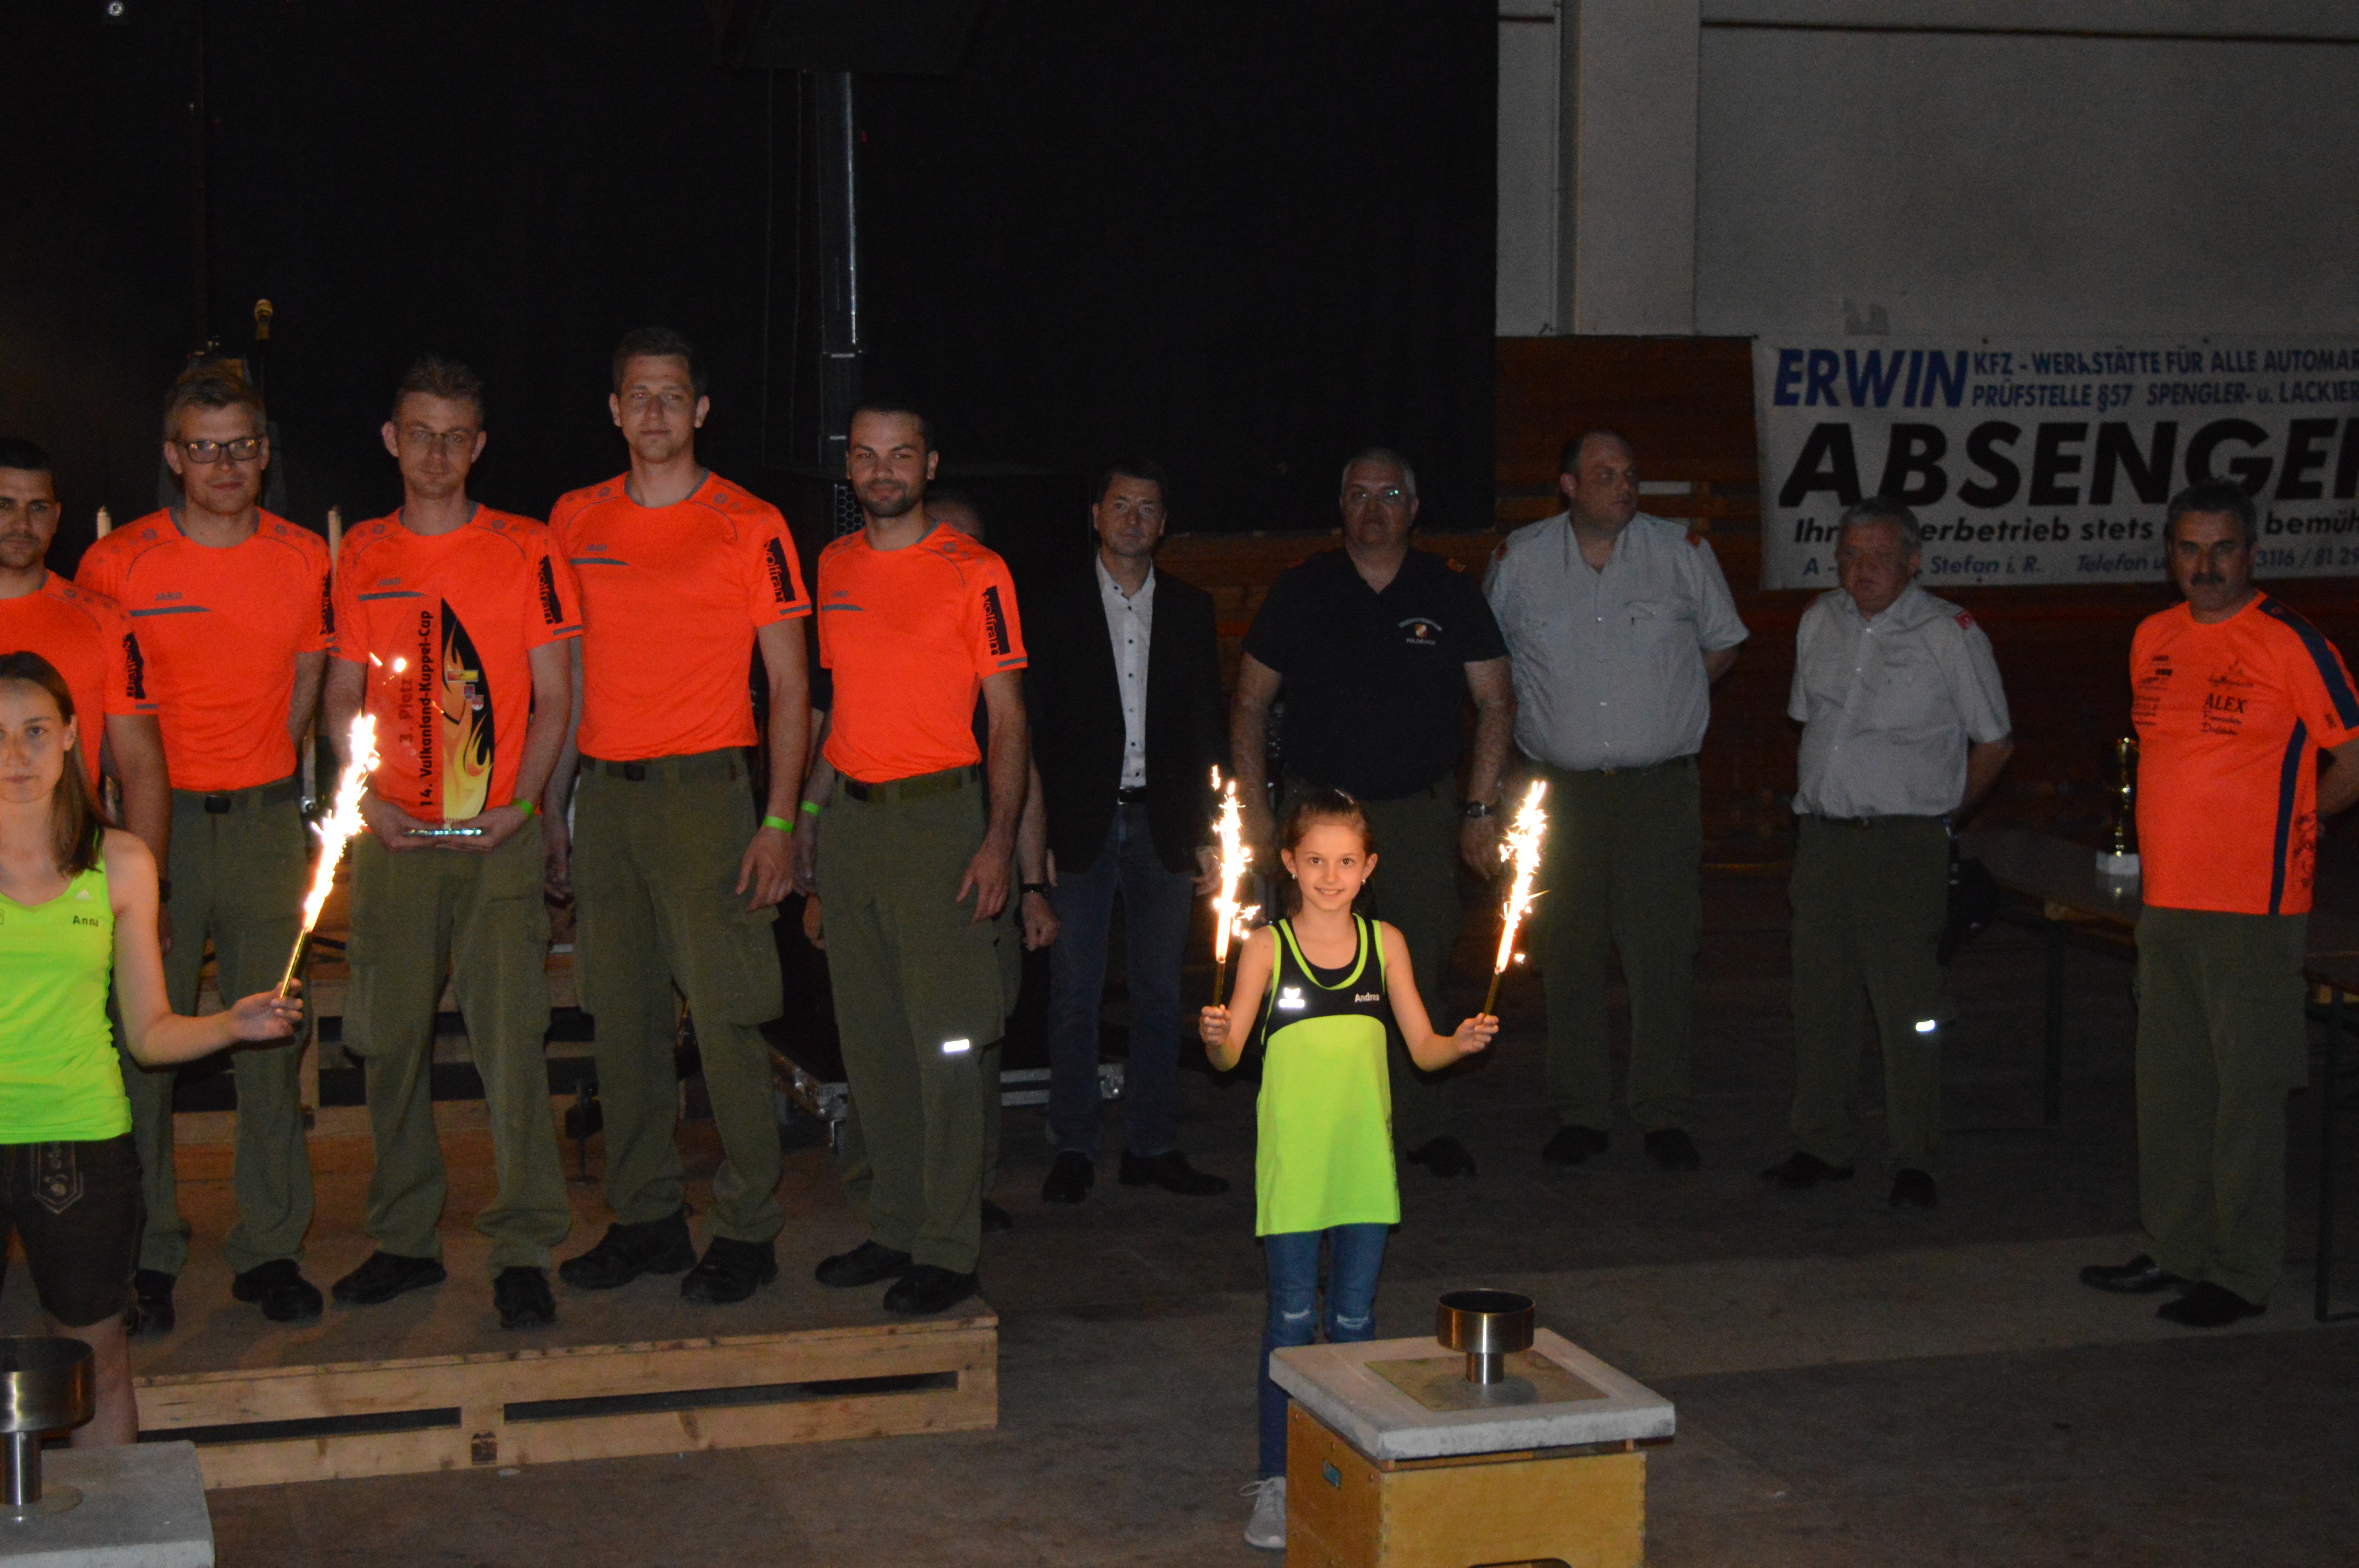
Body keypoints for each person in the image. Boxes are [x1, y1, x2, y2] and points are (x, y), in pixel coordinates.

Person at [545, 328, 811, 1305]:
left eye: (672, 395)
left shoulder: (751, 524)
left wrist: (777, 823)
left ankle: (747, 1225)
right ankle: (647, 1217)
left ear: (699, 410)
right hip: (607, 800)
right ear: (613, 410)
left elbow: (791, 687)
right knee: (623, 1020)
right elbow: (567, 680)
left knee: (729, 1017)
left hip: (707, 798)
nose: (654, 411)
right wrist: (552, 806)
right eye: (637, 395)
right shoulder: (574, 518)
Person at [323, 359, 581, 1328]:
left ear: (479, 447)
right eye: (420, 433)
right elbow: (341, 695)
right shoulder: (362, 553)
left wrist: (526, 806)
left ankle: (523, 1247)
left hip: (496, 839)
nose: (437, 452)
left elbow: (555, 696)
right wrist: (365, 803)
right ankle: (404, 1239)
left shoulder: (528, 548)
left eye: (456, 436)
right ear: (392, 440)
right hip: (394, 838)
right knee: (387, 1043)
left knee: (511, 1045)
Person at [77, 366, 334, 1328]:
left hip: (263, 825)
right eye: (204, 448)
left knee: (272, 1034)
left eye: (242, 447)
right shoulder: (118, 564)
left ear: (265, 455)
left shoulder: (304, 557)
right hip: (157, 832)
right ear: (172, 456)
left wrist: (265, 770)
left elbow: (308, 683)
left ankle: (271, 1248)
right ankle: (147, 1253)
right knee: (145, 1046)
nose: (224, 465)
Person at [0, 651, 302, 1444]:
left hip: (78, 1139)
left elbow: (149, 1034)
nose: (16, 754)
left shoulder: (122, 863)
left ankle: (118, 1518)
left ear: (73, 735)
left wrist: (232, 1025)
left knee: (95, 1361)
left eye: (35, 731)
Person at [2081, 479, 2359, 1327]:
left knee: (2247, 1097)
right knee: (2171, 1088)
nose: (2205, 566)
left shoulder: (2291, 643)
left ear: (2252, 554)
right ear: (2170, 555)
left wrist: (2301, 824)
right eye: (2190, 549)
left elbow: (2354, 756)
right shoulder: (2153, 637)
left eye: (2223, 548)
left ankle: (2241, 1273)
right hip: (2168, 903)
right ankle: (2174, 1248)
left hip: (2254, 908)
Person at [1197, 790, 1496, 1551]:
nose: (1331, 877)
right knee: (1292, 1321)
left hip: (1364, 1165)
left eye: (1346, 862)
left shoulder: (1385, 944)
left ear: (1369, 868)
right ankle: (1278, 1479)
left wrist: (1459, 1043)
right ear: (1289, 865)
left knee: (1357, 1322)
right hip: (1295, 1167)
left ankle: (1352, 1467)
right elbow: (1229, 1060)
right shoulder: (1266, 948)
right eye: (1316, 861)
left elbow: (1423, 1049)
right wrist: (1215, 1036)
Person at [1230, 449, 1512, 1180]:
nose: (1374, 509)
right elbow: (1251, 703)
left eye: (1390, 495)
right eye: (1359, 495)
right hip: (1317, 818)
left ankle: (1425, 1125)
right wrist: (1256, 813)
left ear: (1413, 509)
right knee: (1312, 974)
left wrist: (1480, 808)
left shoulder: (1449, 589)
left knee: (1420, 963)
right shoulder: (1302, 589)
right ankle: (1320, 1118)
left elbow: (1495, 701)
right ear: (1341, 507)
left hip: (1418, 814)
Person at [808, 404, 1025, 1316]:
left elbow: (1007, 719)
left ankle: (948, 1244)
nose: (883, 471)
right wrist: (808, 826)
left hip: (941, 823)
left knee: (947, 1045)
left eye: (901, 455)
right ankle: (893, 1223)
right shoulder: (833, 566)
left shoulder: (976, 572)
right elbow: (838, 710)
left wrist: (999, 842)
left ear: (929, 465)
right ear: (848, 467)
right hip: (853, 828)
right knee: (874, 1043)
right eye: (866, 455)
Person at [1483, 430, 1746, 1171]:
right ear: (1568, 486)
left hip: (1657, 790)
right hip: (1559, 791)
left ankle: (1663, 1110)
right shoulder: (1520, 561)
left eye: (1631, 473)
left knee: (1662, 951)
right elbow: (1490, 665)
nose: (1624, 485)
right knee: (1567, 950)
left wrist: (1664, 698)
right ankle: (1581, 1111)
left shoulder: (1681, 553)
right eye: (1605, 475)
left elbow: (1722, 646)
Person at [1761, 498, 2013, 1208]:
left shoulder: (1948, 634)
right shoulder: (1820, 621)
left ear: (1914, 561)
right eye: (1850, 556)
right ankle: (1822, 1143)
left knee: (1910, 1009)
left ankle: (1915, 1157)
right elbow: (1810, 723)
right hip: (1824, 839)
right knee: (1821, 1000)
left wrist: (1942, 815)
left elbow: (1996, 742)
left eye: (1878, 557)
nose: (1861, 570)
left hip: (1904, 843)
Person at [1029, 458, 1230, 1204]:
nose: (1133, 520)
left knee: (1158, 993)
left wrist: (1211, 829)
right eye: (1120, 505)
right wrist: (1035, 840)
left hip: (1164, 824)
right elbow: (1035, 730)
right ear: (1095, 515)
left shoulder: (1191, 608)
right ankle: (1074, 1145)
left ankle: (1152, 1144)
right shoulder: (1053, 606)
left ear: (1164, 523)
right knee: (1074, 994)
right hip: (1079, 826)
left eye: (1148, 508)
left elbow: (1207, 724)